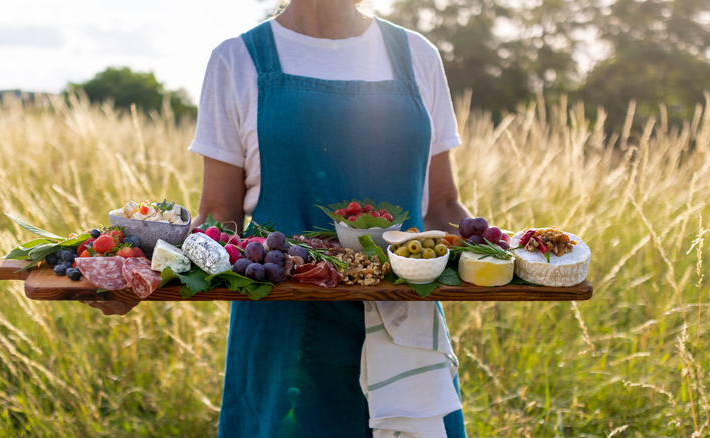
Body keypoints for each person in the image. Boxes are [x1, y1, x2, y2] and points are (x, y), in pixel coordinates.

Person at [84, 0, 472, 436]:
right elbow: (220, 217)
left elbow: (441, 207)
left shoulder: (418, 55)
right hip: (282, 336)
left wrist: (512, 252)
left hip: (408, 330)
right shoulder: (237, 60)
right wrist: (138, 268)